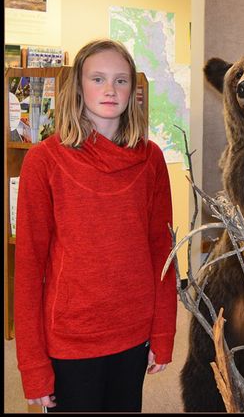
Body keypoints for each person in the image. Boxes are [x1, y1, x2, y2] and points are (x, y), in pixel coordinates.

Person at [14, 39, 177, 412]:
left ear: (134, 91)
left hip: (133, 334)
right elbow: (28, 268)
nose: (110, 89)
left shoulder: (150, 159)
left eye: (121, 80)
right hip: (71, 339)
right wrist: (33, 365)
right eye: (98, 78)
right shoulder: (44, 161)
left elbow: (162, 252)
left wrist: (163, 332)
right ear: (78, 87)